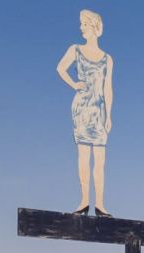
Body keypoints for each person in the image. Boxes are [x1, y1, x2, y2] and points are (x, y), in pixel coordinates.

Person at [56, 9, 114, 217]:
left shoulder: (107, 59)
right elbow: (60, 68)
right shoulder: (76, 50)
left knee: (100, 159)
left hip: (98, 111)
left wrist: (109, 115)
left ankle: (99, 203)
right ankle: (83, 201)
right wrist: (74, 84)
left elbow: (108, 88)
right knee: (83, 156)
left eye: (85, 24)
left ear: (94, 27)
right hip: (82, 108)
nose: (81, 28)